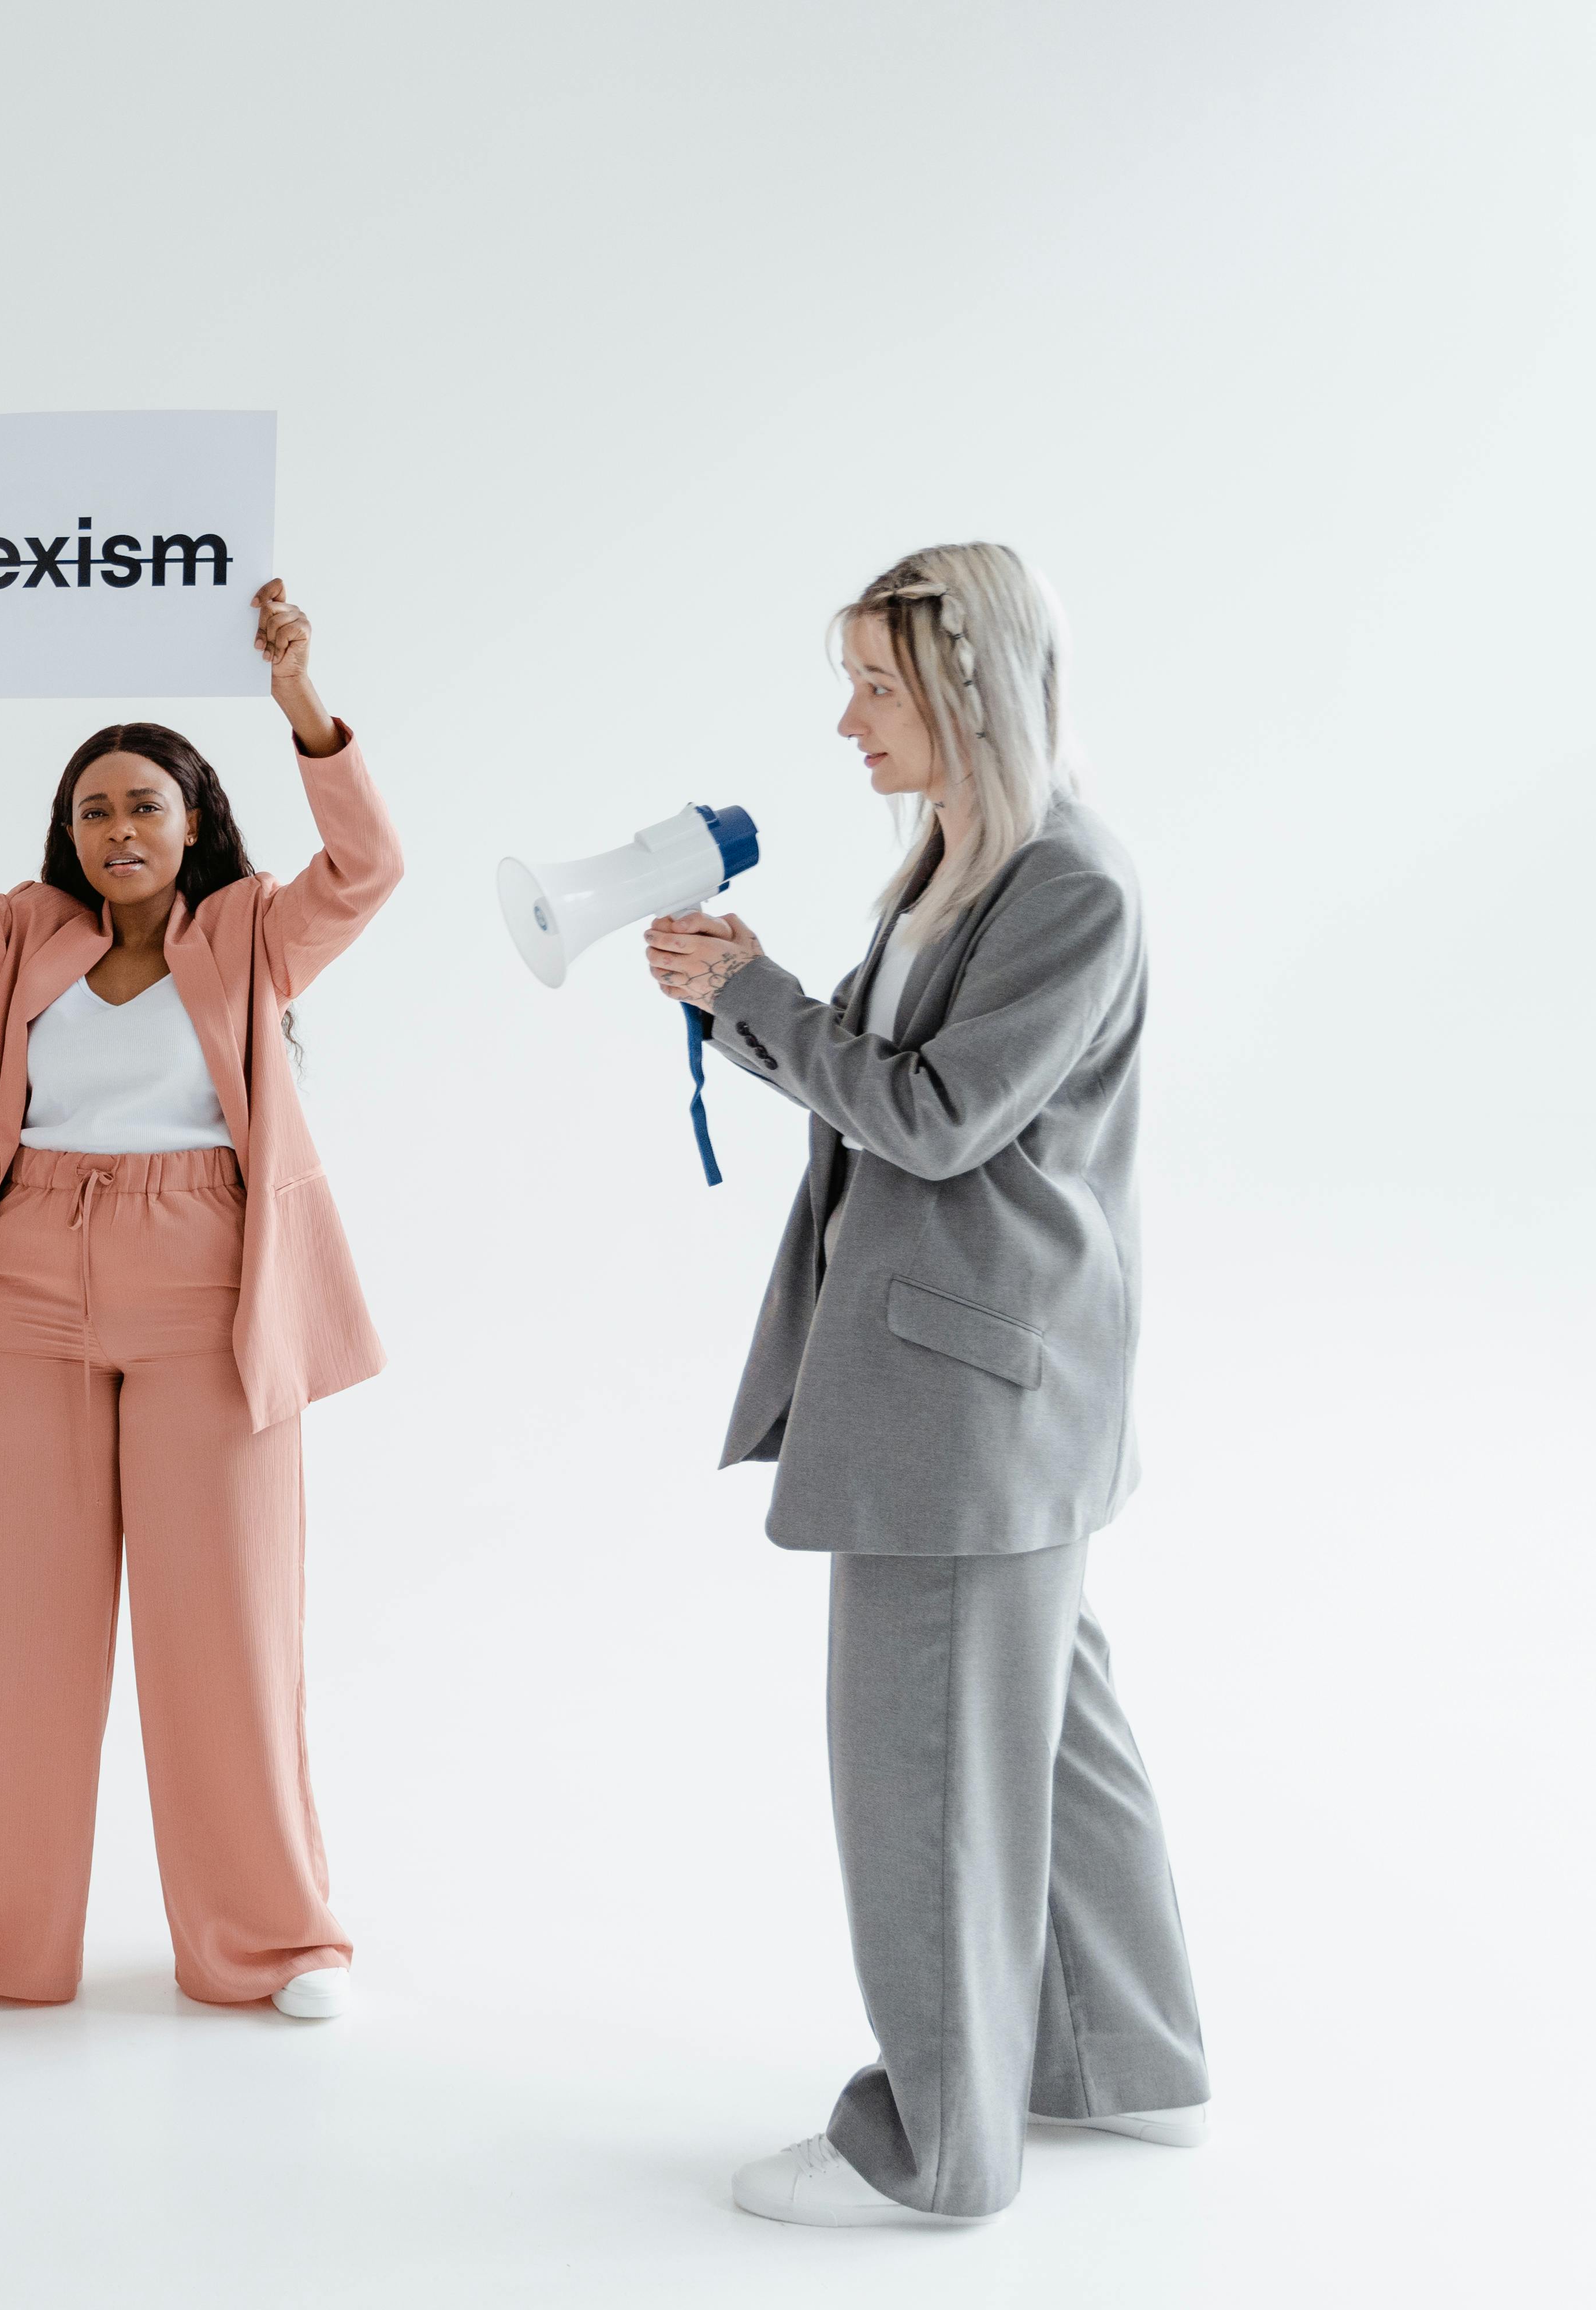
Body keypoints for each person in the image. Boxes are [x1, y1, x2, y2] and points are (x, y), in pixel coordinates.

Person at [647, 542, 1209, 2224]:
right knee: (1049, 1744)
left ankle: (942, 2152)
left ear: (968, 688)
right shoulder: (964, 866)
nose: (847, 721)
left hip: (970, 1400)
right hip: (989, 1383)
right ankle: (1132, 2065)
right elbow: (900, 1085)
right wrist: (755, 1008)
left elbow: (937, 1117)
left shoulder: (1069, 886)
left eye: (876, 686)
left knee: (931, 1772)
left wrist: (752, 997)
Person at [0, 582, 399, 2018]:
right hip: (32, 1272)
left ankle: (276, 1942)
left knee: (225, 1624)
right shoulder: (32, 931)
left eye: (145, 804)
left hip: (208, 1282)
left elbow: (371, 862)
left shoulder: (256, 932)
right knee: (20, 1622)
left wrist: (301, 702)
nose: (119, 831)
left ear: (195, 817)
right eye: (94, 810)